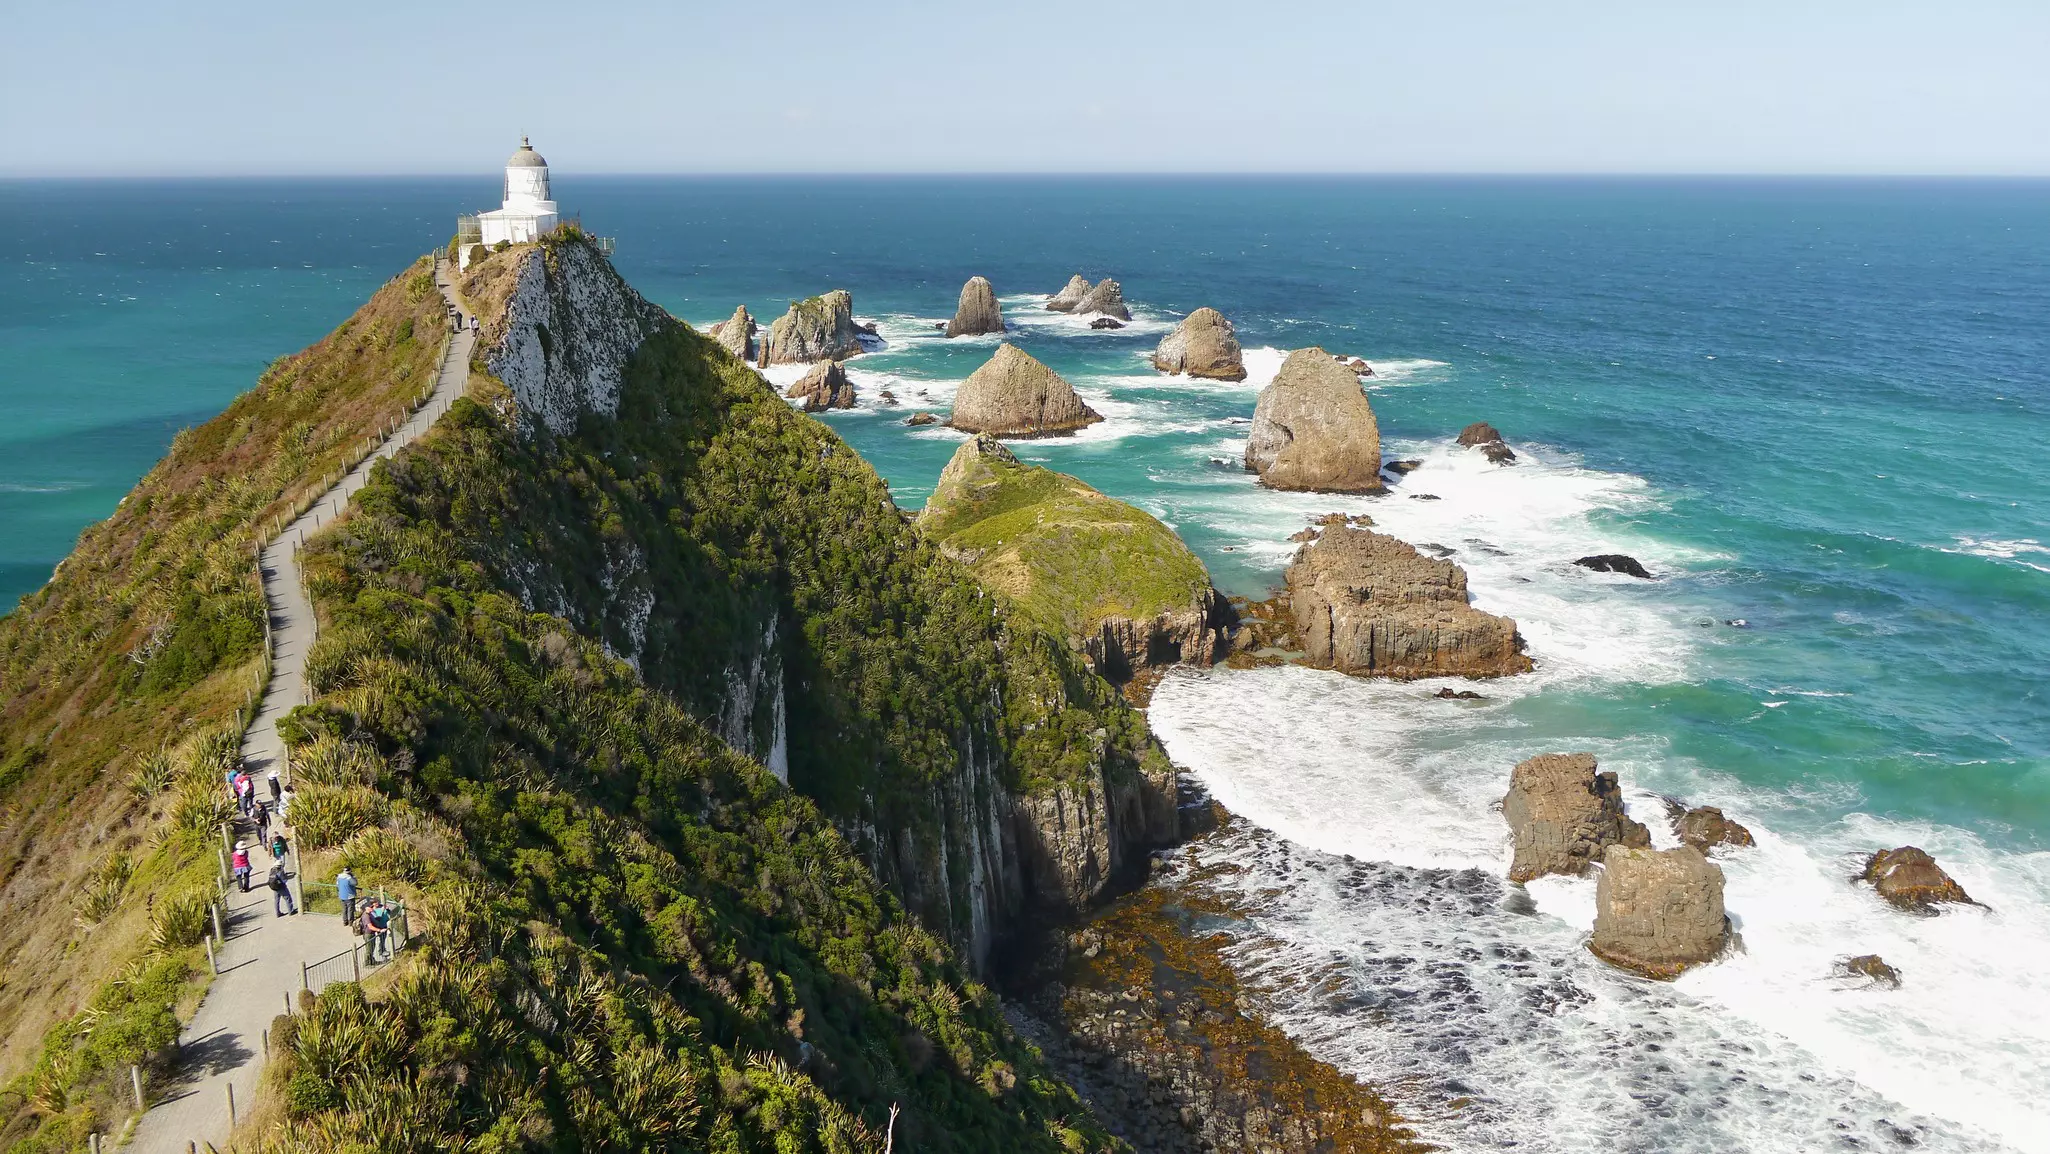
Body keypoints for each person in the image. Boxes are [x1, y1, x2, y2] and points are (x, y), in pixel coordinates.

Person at [362, 898, 393, 962]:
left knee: (372, 947)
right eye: (370, 907)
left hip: (374, 931)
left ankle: (372, 960)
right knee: (369, 949)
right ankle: (368, 962)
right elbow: (370, 925)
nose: (371, 908)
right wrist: (379, 930)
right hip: (370, 932)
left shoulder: (370, 913)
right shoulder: (366, 915)